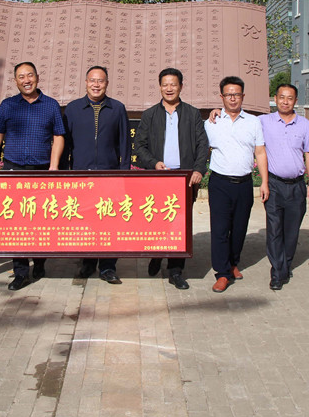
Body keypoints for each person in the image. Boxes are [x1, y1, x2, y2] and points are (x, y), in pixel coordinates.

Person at [0, 61, 65, 291]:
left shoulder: (51, 105)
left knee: (41, 220)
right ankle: (20, 272)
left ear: (37, 77)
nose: (26, 80)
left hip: (41, 170)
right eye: (21, 77)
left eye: (30, 75)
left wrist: (54, 167)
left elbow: (58, 136)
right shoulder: (8, 106)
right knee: (16, 221)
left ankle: (40, 261)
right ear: (15, 81)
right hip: (13, 171)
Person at [133, 67, 209, 290]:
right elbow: (139, 146)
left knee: (179, 225)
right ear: (159, 87)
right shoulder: (150, 115)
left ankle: (175, 270)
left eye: (173, 84)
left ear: (181, 87)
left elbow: (202, 145)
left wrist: (198, 170)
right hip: (159, 177)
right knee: (157, 220)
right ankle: (157, 254)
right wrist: (154, 163)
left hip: (184, 179)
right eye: (165, 84)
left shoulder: (192, 114)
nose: (169, 88)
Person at [63, 66, 130, 284]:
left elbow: (125, 143)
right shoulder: (73, 109)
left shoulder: (117, 108)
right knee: (86, 221)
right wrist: (66, 174)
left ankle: (108, 267)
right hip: (81, 177)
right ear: (85, 82)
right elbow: (66, 145)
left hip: (109, 176)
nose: (96, 84)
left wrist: (124, 174)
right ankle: (88, 262)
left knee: (110, 222)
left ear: (107, 83)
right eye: (92, 80)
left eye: (100, 81)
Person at [204, 76, 268, 293]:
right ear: (221, 97)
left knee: (239, 228)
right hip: (220, 183)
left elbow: (260, 152)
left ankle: (233, 263)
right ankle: (222, 273)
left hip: (244, 184)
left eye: (237, 94)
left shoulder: (253, 122)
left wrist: (264, 182)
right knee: (220, 229)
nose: (233, 98)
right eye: (228, 94)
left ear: (243, 96)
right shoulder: (211, 122)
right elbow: (201, 148)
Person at [259, 84, 309, 290]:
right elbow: (240, 118)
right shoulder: (263, 121)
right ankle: (277, 271)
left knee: (291, 231)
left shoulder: (304, 125)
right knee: (274, 230)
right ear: (275, 98)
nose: (285, 101)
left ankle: (285, 264)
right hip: (274, 185)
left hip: (297, 186)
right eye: (281, 97)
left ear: (296, 101)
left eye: (290, 98)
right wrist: (217, 112)